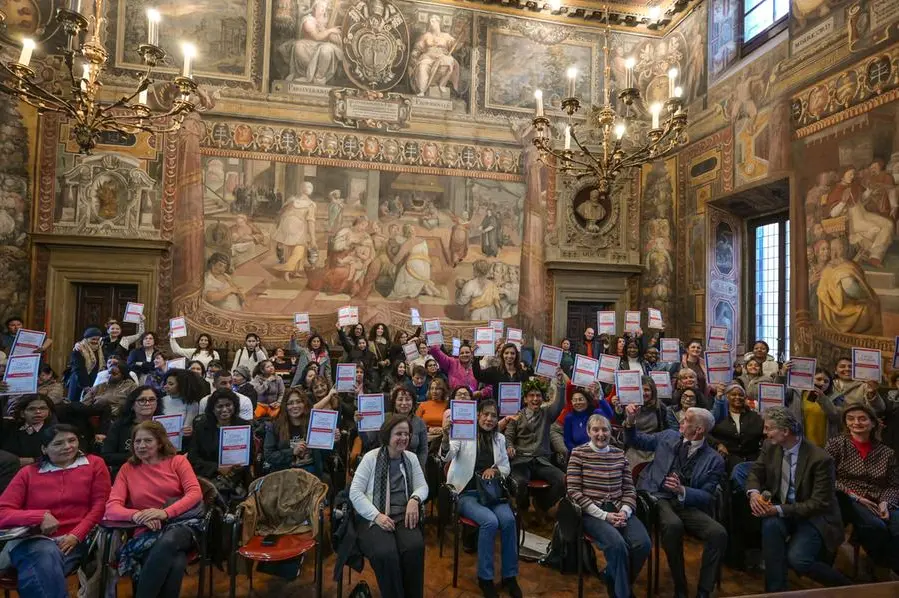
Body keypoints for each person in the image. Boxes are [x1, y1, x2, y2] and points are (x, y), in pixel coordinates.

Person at [623, 404, 726, 598]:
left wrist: (682, 490)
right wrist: (630, 421)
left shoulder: (714, 460)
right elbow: (635, 440)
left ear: (699, 430)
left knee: (718, 533)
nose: (681, 422)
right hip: (657, 496)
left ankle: (704, 590)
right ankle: (680, 585)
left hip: (685, 502)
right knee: (673, 525)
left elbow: (707, 495)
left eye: (686, 420)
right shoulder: (668, 436)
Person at [746, 407, 852, 592]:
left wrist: (777, 510)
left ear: (785, 431)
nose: (764, 433)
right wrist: (754, 493)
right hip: (783, 509)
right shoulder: (770, 447)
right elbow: (755, 472)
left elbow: (819, 503)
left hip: (814, 516)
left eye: (769, 428)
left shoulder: (820, 459)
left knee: (798, 560)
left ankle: (849, 588)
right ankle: (775, 592)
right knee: (770, 526)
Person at [0, 424, 111, 597]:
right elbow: (2, 512)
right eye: (58, 443)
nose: (67, 446)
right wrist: (40, 516)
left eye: (72, 440)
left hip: (74, 541)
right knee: (44, 555)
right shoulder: (28, 473)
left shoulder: (94, 464)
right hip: (31, 540)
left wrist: (77, 534)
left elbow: (100, 506)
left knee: (40, 569)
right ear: (44, 449)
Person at [104, 421, 204, 598]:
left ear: (160, 442)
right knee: (177, 561)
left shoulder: (177, 461)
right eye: (137, 441)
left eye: (147, 441)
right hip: (147, 529)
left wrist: (165, 513)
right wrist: (138, 516)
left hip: (182, 524)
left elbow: (195, 493)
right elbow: (112, 507)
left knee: (169, 540)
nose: (141, 446)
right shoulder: (127, 469)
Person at [440, 400, 521, 598]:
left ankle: (510, 576)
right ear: (477, 416)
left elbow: (505, 467)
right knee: (490, 522)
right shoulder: (464, 433)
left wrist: (495, 470)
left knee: (509, 520)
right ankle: (485, 578)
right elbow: (447, 454)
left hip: (492, 492)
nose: (489, 419)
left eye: (493, 416)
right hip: (466, 494)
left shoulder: (500, 439)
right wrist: (444, 434)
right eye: (485, 414)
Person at [567, 414, 651, 598]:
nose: (600, 434)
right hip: (592, 512)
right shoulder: (578, 454)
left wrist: (624, 511)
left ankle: (612, 575)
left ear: (610, 431)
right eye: (595, 429)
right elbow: (573, 491)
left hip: (619, 509)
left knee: (643, 544)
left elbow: (629, 489)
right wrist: (604, 516)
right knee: (617, 545)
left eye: (605, 429)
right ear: (588, 432)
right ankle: (622, 594)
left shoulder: (619, 454)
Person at [349, 415, 428, 598]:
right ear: (387, 435)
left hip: (402, 515)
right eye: (398, 433)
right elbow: (355, 492)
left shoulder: (411, 458)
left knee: (414, 547)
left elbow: (422, 486)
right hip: (373, 517)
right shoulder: (371, 458)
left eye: (407, 434)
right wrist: (376, 516)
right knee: (386, 553)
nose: (404, 438)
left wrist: (414, 499)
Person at [826, 403, 899, 575]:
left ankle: (890, 565)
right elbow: (827, 478)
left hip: (879, 499)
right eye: (850, 419)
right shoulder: (836, 444)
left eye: (862, 419)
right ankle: (884, 564)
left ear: (873, 423)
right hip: (848, 499)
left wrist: (885, 502)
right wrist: (855, 497)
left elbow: (894, 484)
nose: (856, 423)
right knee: (876, 527)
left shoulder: (886, 452)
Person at [504, 374, 566, 513]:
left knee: (563, 480)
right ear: (525, 399)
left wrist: (561, 384)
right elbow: (508, 436)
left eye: (538, 395)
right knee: (518, 483)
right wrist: (509, 446)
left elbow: (559, 404)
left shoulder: (547, 413)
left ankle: (542, 504)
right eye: (531, 396)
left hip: (542, 461)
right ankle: (524, 508)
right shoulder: (516, 415)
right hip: (520, 461)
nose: (535, 399)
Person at [188, 389, 252, 502]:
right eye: (219, 406)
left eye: (228, 405)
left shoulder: (244, 426)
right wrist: (217, 467)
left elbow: (251, 456)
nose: (224, 409)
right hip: (208, 477)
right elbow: (193, 459)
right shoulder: (201, 427)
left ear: (235, 406)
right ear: (212, 409)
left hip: (237, 477)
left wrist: (241, 465)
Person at [263, 387, 337, 477]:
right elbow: (269, 455)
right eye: (290, 403)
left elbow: (324, 455)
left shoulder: (314, 422)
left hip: (312, 473)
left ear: (304, 404)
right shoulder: (275, 426)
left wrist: (332, 441)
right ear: (285, 406)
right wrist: (292, 452)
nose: (295, 406)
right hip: (285, 475)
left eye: (298, 402)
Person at [360, 385, 428, 470]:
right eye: (400, 399)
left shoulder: (419, 422)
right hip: (384, 466)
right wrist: (360, 422)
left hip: (412, 467)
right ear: (394, 402)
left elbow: (423, 450)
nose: (404, 403)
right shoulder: (383, 418)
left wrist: (419, 468)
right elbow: (369, 440)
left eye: (408, 399)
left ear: (413, 402)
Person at [102, 386, 163, 475]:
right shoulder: (119, 425)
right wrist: (139, 456)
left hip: (158, 470)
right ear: (132, 405)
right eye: (142, 400)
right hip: (128, 471)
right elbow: (106, 456)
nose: (147, 403)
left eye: (152, 399)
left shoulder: (164, 423)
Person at [784, 364, 844, 447]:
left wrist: (822, 398)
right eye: (818, 379)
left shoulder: (836, 397)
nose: (822, 383)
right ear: (810, 379)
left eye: (826, 381)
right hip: (801, 444)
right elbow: (780, 396)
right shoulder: (797, 394)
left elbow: (836, 417)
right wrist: (783, 375)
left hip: (826, 445)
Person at [2, 395, 57, 466]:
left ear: (49, 412)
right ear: (22, 413)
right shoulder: (8, 427)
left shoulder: (55, 432)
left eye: (43, 408)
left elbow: (61, 455)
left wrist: (34, 460)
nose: (38, 411)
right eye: (31, 409)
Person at [161, 369, 207, 445]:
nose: (166, 386)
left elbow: (187, 427)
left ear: (182, 386)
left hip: (181, 443)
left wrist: (188, 430)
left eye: (171, 384)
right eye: (166, 383)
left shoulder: (191, 404)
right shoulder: (162, 400)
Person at [67, 326, 105, 402]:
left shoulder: (100, 349)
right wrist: (85, 386)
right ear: (87, 339)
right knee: (75, 404)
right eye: (93, 339)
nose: (95, 341)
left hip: (93, 383)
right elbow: (78, 368)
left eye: (97, 339)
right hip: (79, 382)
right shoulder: (79, 349)